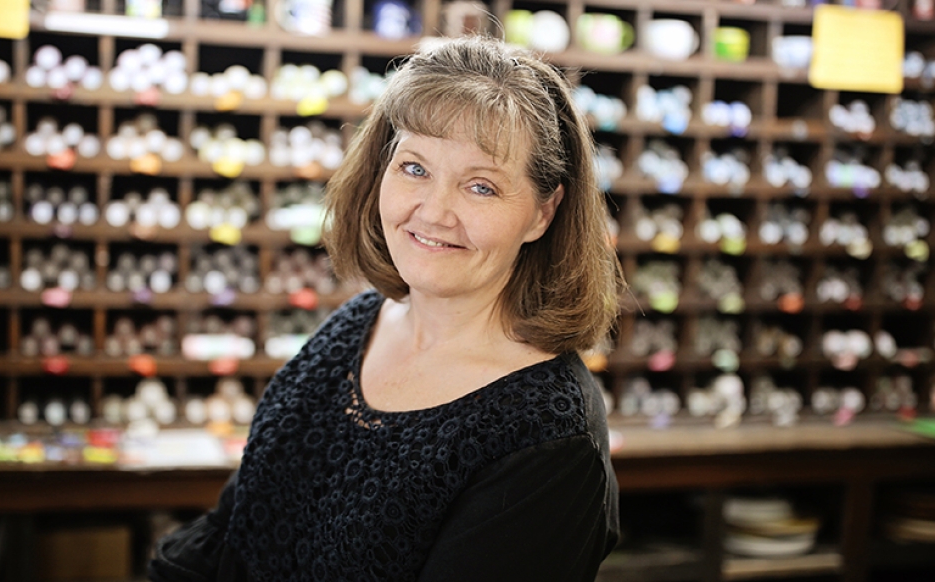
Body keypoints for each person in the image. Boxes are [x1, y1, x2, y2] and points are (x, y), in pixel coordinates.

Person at [149, 34, 626, 582]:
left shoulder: (549, 438)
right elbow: (238, 526)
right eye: (415, 168)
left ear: (543, 213)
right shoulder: (356, 324)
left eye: (480, 187)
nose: (434, 212)